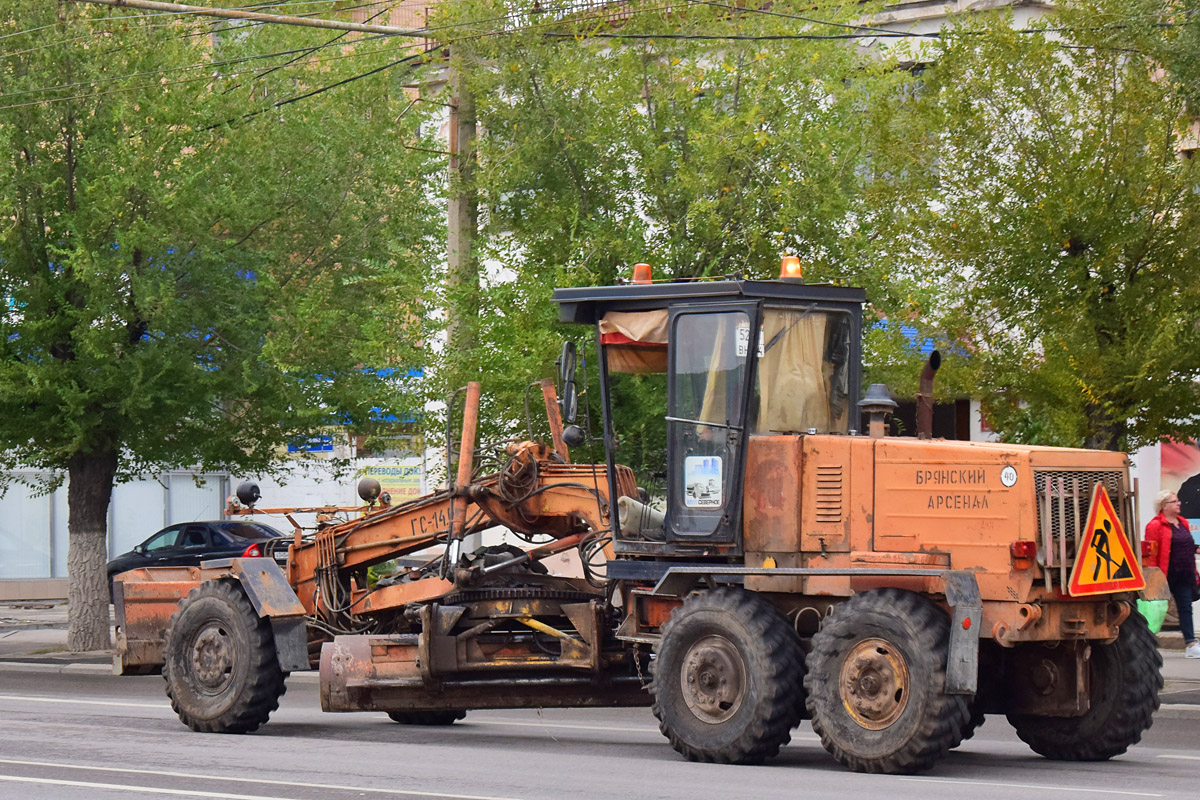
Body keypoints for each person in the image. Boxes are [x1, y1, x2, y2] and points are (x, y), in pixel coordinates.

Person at [1145, 490, 1200, 658]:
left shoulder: (1182, 522)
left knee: (1185, 608)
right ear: (1164, 506)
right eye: (1174, 501)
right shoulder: (1155, 525)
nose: (1179, 503)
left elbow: (1186, 546)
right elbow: (1151, 553)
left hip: (1184, 573)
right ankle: (1146, 643)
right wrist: (1153, 577)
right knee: (1155, 609)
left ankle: (1190, 643)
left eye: (1178, 501)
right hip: (1166, 574)